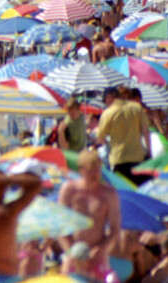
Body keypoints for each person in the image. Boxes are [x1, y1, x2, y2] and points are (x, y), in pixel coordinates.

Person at [58, 150, 121, 280]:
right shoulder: (69, 190)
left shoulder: (108, 193)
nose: (96, 174)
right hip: (73, 254)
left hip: (98, 254)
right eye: (91, 170)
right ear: (81, 170)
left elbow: (115, 228)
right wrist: (70, 251)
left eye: (98, 169)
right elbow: (60, 225)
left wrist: (102, 248)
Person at [95, 86, 151, 183]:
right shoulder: (136, 107)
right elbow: (146, 131)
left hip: (118, 158)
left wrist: (108, 142)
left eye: (105, 101)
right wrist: (149, 151)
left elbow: (100, 138)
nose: (106, 104)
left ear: (109, 97)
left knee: (123, 192)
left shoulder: (108, 113)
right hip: (138, 156)